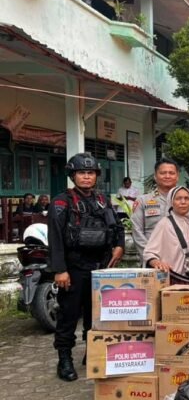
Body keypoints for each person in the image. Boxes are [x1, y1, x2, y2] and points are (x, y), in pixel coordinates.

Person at [47, 153, 124, 381]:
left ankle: (93, 353)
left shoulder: (102, 200)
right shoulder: (61, 202)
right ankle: (64, 359)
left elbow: (117, 226)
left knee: (97, 315)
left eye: (90, 173)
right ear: (73, 175)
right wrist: (60, 270)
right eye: (82, 173)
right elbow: (55, 238)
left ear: (96, 176)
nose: (87, 177)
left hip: (100, 268)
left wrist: (119, 246)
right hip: (73, 268)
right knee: (69, 315)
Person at [144, 186, 189, 284]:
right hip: (173, 279)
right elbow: (149, 253)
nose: (183, 202)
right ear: (171, 202)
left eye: (186, 198)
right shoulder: (165, 223)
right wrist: (157, 263)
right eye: (178, 199)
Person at [131, 158, 180, 262]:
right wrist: (151, 258)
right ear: (155, 176)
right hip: (153, 259)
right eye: (163, 173)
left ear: (177, 177)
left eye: (171, 173)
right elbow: (137, 231)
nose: (167, 176)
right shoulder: (143, 201)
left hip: (180, 259)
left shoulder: (186, 201)